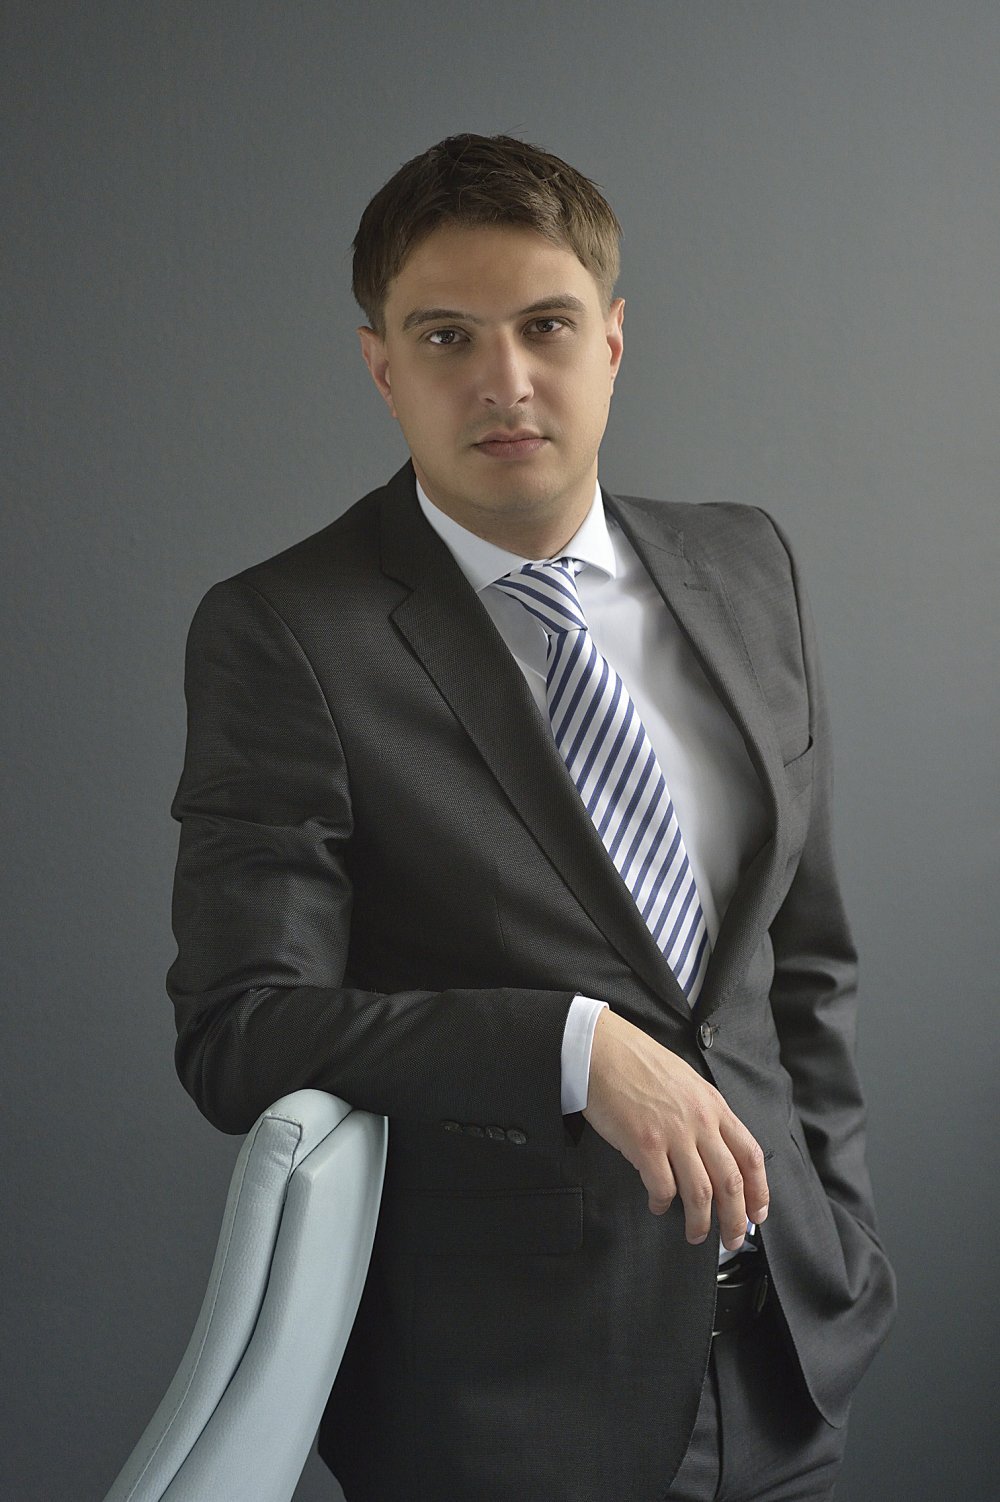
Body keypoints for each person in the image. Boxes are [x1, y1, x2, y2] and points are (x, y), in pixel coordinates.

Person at [166, 132, 896, 1501]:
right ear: (382, 367)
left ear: (612, 341)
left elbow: (806, 963)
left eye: (546, 326)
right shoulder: (287, 633)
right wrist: (569, 1046)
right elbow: (239, 1029)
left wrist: (843, 1242)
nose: (503, 378)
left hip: (788, 1364)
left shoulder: (747, 563)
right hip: (508, 1414)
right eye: (447, 336)